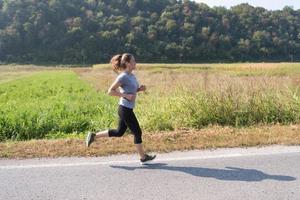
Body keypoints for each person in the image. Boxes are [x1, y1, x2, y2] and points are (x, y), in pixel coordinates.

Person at [85, 53, 156, 164]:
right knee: (137, 132)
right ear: (127, 63)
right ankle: (143, 157)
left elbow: (131, 90)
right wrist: (126, 96)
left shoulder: (131, 75)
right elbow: (110, 91)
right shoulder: (122, 76)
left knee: (119, 132)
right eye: (133, 61)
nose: (135, 63)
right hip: (124, 109)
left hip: (128, 108)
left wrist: (139, 89)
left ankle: (94, 136)